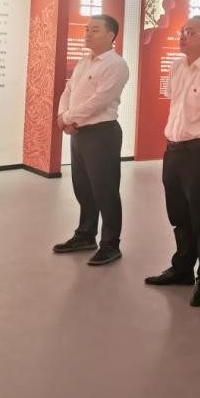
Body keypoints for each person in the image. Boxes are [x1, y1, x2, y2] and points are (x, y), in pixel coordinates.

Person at [144, 16, 200, 307]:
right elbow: (176, 105)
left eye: (190, 32)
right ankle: (182, 268)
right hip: (174, 149)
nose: (183, 36)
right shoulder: (177, 66)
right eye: (182, 31)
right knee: (178, 214)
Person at [52, 15, 129, 265]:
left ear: (111, 35)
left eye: (94, 30)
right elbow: (68, 90)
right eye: (87, 29)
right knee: (83, 188)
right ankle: (85, 235)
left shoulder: (116, 65)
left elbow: (100, 101)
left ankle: (111, 244)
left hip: (102, 133)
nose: (87, 33)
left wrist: (68, 118)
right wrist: (62, 116)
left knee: (105, 190)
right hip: (79, 133)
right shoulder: (84, 62)